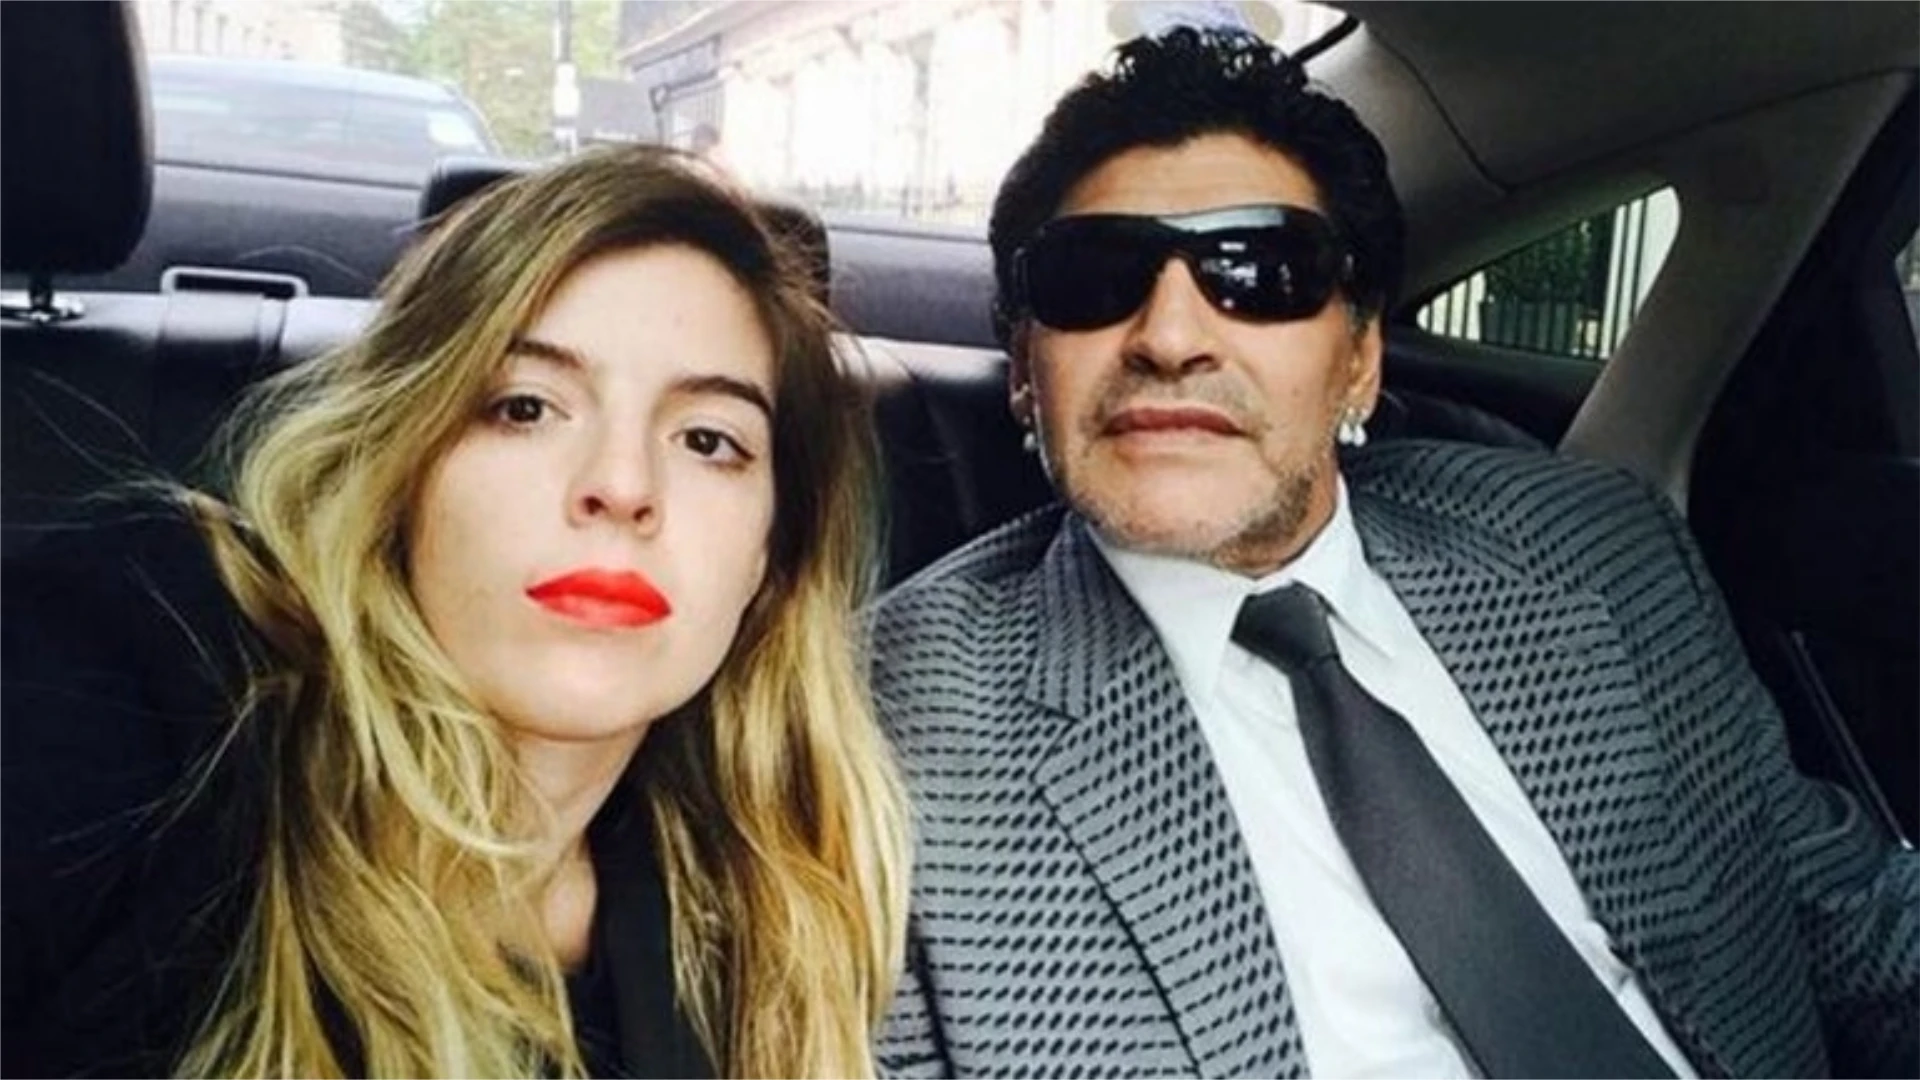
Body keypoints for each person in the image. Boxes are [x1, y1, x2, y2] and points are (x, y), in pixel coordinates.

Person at [872, 27, 1917, 1079]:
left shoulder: (1596, 548)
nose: (1171, 337)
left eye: (1261, 271)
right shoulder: (885, 722)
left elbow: (1854, 925)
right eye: (1093, 278)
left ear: (1360, 362)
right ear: (1025, 373)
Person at [2, 144, 908, 1078]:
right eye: (525, 408)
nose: (622, 485)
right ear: (404, 467)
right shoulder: (150, 658)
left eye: (708, 440)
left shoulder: (757, 941)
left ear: (768, 559)